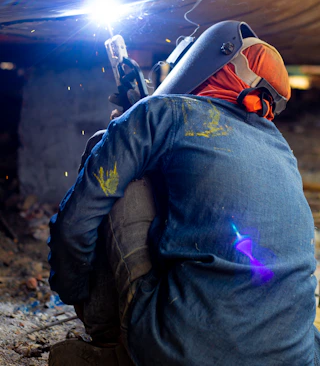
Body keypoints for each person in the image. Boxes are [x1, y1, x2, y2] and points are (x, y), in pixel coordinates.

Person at [48, 21, 320, 366]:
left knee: (108, 151)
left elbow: (74, 226)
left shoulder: (165, 113)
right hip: (294, 356)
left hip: (184, 350)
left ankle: (110, 345)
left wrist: (73, 291)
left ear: (208, 60)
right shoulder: (282, 152)